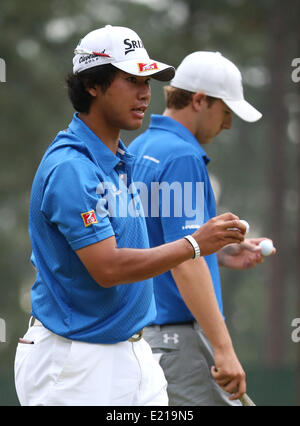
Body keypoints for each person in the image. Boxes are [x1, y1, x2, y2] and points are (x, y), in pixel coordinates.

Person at [14, 29, 248, 407]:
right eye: (132, 81)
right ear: (92, 84)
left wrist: (212, 250)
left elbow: (137, 246)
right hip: (75, 361)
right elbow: (108, 267)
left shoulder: (121, 161)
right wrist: (194, 245)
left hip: (133, 354)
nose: (145, 93)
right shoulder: (72, 168)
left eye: (148, 82)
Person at [129, 51, 276, 406]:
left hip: (149, 339)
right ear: (199, 101)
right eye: (225, 112)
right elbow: (185, 260)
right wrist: (224, 350)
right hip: (184, 346)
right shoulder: (183, 156)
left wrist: (220, 253)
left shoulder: (140, 148)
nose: (227, 125)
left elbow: (160, 243)